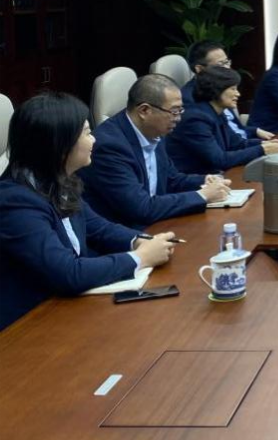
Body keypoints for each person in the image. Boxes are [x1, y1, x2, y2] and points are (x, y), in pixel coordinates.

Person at [0, 93, 176, 332]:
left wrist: (141, 241)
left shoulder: (60, 179)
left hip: (67, 308)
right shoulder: (15, 202)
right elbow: (67, 272)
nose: (94, 139)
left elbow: (98, 228)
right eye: (86, 133)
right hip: (27, 326)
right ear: (60, 145)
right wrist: (140, 258)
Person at [81, 73, 230, 227]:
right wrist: (202, 195)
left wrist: (206, 180)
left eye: (180, 110)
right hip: (127, 232)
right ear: (144, 111)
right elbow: (141, 208)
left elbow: (171, 179)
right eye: (174, 111)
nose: (178, 118)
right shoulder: (109, 147)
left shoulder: (154, 129)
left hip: (157, 222)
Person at [167, 65, 278, 174]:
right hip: (197, 181)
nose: (238, 94)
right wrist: (263, 150)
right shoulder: (196, 119)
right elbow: (219, 160)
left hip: (217, 177)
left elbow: (236, 144)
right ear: (216, 89)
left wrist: (266, 144)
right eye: (233, 89)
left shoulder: (217, 112)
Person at [182, 40, 276, 141]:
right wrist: (262, 147)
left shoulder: (222, 87)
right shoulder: (190, 100)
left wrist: (255, 131)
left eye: (227, 62)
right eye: (221, 64)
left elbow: (233, 127)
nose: (228, 68)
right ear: (200, 69)